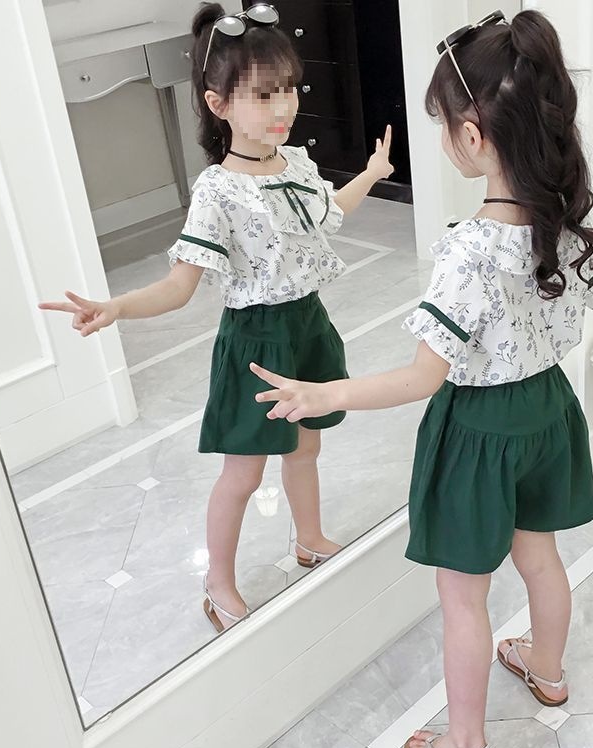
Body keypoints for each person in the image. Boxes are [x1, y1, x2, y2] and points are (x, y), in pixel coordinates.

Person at [249, 9, 593, 748]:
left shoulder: (469, 250)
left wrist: (324, 392)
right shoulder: (564, 227)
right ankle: (547, 669)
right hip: (549, 414)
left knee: (462, 597)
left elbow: (421, 379)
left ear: (474, 136)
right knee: (539, 556)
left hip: (479, 430)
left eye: (444, 124)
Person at [39, 2, 394, 633]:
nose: (284, 106)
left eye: (289, 88)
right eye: (264, 94)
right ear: (218, 103)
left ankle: (308, 537)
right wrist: (116, 306)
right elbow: (180, 288)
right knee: (244, 471)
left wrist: (370, 173)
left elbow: (329, 213)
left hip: (308, 326)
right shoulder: (217, 191)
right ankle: (218, 580)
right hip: (256, 341)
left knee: (307, 444)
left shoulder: (298, 163)